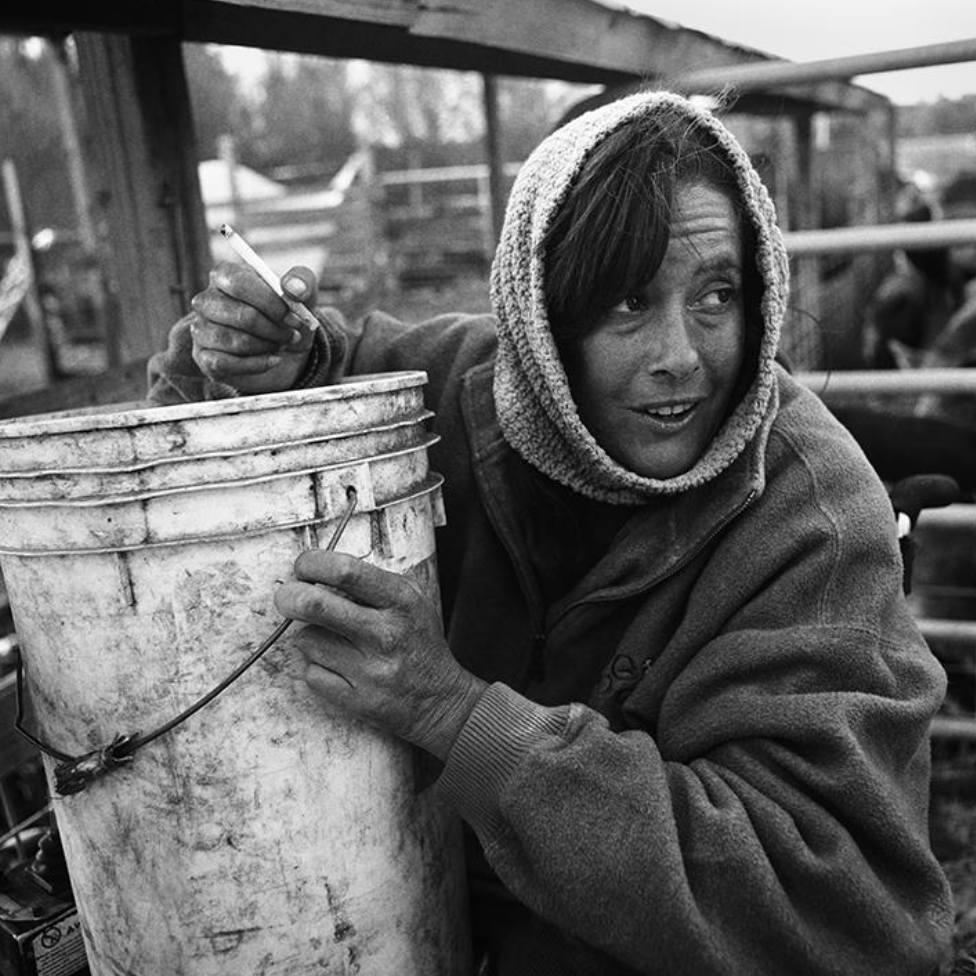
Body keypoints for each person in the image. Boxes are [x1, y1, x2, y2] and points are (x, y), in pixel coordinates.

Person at [147, 91, 953, 975]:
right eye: (626, 303)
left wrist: (456, 715)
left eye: (716, 293)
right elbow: (333, 365)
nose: (681, 354)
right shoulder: (463, 386)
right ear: (542, 318)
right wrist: (260, 361)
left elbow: (847, 916)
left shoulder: (812, 520)